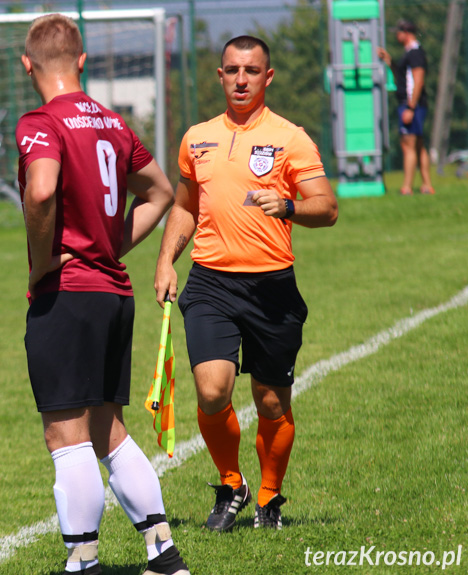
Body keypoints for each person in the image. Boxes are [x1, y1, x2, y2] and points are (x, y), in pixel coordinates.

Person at [16, 14, 189, 575]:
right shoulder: (113, 123)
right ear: (83, 60)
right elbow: (161, 192)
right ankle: (164, 555)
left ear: (27, 65)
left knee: (66, 436)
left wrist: (44, 261)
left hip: (68, 294)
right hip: (114, 294)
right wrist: (111, 246)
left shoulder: (40, 123)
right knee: (105, 431)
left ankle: (83, 561)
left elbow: (41, 192)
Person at [154, 36, 338, 532]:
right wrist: (166, 260)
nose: (241, 79)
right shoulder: (196, 137)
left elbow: (328, 207)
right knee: (212, 391)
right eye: (232, 70)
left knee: (272, 402)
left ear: (267, 77)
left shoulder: (291, 138)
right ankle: (230, 484)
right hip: (211, 281)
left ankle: (269, 496)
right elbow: (184, 206)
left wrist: (292, 207)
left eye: (251, 71)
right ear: (219, 75)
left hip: (272, 288)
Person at [376, 18, 435, 195]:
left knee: (408, 145)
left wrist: (410, 107)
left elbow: (418, 80)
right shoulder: (409, 53)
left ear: (407, 33)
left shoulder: (415, 53)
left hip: (411, 105)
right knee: (418, 145)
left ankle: (407, 187)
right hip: (412, 104)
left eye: (399, 32)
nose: (397, 35)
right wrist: (389, 60)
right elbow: (403, 76)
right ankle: (427, 185)